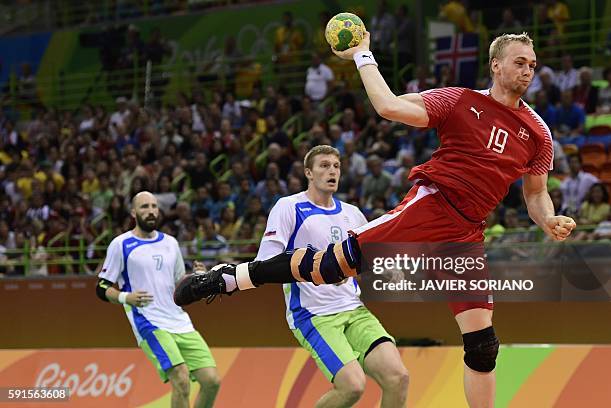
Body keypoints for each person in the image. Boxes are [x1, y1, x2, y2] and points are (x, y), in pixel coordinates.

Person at [175, 32, 577, 408]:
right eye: (520, 62)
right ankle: (228, 278)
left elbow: (536, 193)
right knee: (329, 265)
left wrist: (548, 220)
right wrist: (362, 55)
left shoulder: (537, 132)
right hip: (431, 207)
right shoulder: (458, 101)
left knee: (483, 345)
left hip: (467, 233)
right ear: (496, 65)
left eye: (532, 64)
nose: (527, 70)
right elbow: (388, 107)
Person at [255, 145, 408, 407]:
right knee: (352, 386)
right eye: (324, 166)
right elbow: (265, 264)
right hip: (314, 315)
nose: (332, 171)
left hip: (354, 310)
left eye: (336, 166)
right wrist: (319, 271)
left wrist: (391, 271)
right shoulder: (289, 207)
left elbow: (367, 262)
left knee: (398, 378)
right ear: (308, 173)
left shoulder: (352, 214)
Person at [97, 191, 219, 408]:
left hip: (179, 321)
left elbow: (180, 283)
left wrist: (198, 276)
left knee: (211, 382)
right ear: (134, 212)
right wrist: (127, 297)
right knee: (181, 380)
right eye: (144, 207)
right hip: (149, 322)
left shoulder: (171, 243)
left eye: (154, 206)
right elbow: (102, 287)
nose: (151, 211)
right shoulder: (121, 244)